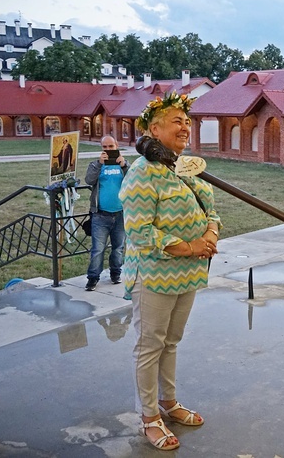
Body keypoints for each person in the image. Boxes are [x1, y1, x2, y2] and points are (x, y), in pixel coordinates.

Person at [119, 91, 221, 451]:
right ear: (154, 128)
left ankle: (168, 402)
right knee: (150, 345)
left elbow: (210, 208)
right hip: (155, 275)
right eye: (177, 121)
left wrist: (209, 233)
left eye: (187, 121)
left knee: (171, 342)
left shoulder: (181, 166)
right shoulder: (142, 173)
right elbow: (140, 231)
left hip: (188, 274)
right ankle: (149, 416)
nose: (185, 126)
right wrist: (192, 246)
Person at [84, 135, 129, 291]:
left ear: (117, 146)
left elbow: (134, 181)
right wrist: (98, 164)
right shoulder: (96, 165)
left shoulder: (123, 164)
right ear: (101, 148)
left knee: (118, 247)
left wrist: (123, 166)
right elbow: (89, 180)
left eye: (111, 147)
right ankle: (92, 278)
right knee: (98, 249)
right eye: (105, 147)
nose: (108, 150)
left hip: (120, 214)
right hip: (100, 214)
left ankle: (115, 273)